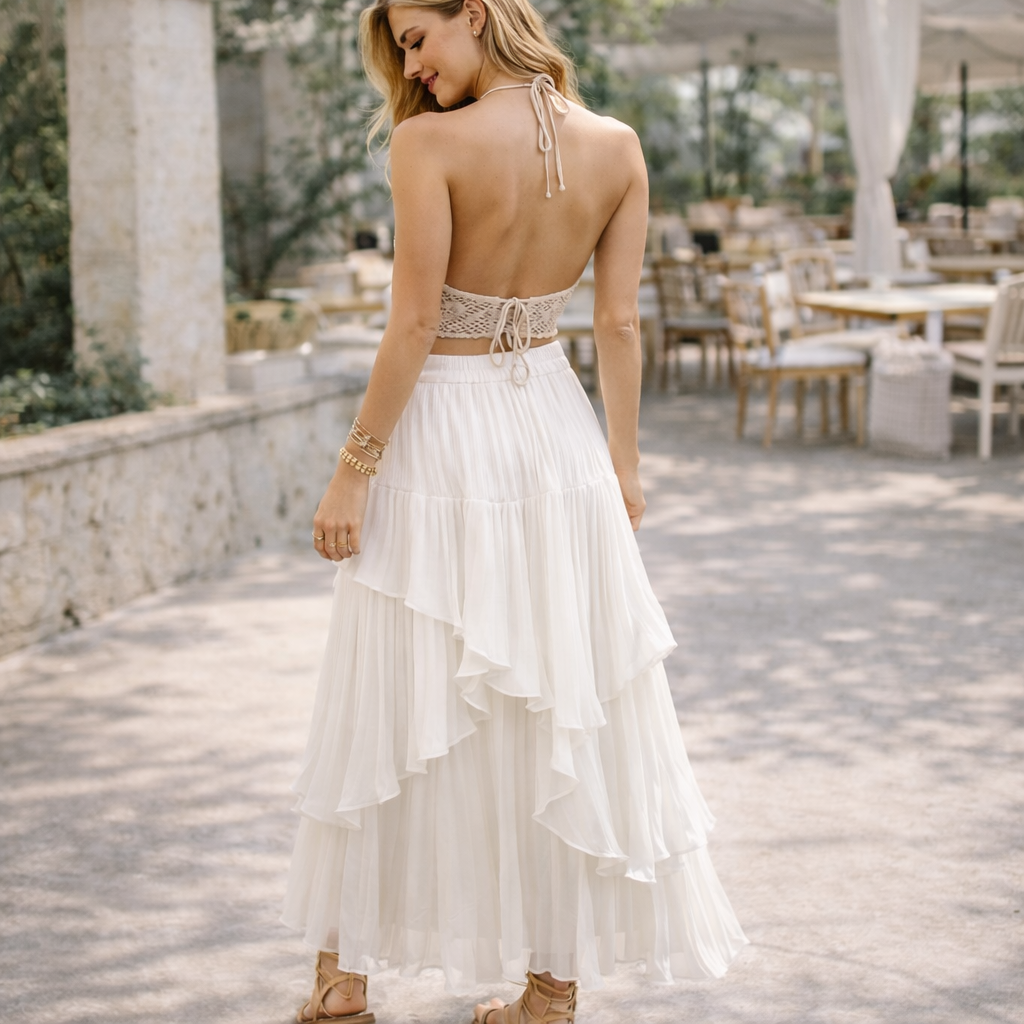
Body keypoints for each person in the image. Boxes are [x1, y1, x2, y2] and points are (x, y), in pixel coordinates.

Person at [283, 1, 747, 1021]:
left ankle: (340, 981)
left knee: (391, 689)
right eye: (401, 49)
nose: (412, 64)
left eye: (417, 37)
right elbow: (616, 323)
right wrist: (623, 469)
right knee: (553, 697)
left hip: (441, 434)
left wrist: (352, 470)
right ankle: (548, 991)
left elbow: (414, 320)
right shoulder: (615, 147)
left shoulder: (426, 145)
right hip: (557, 434)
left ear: (479, 15)